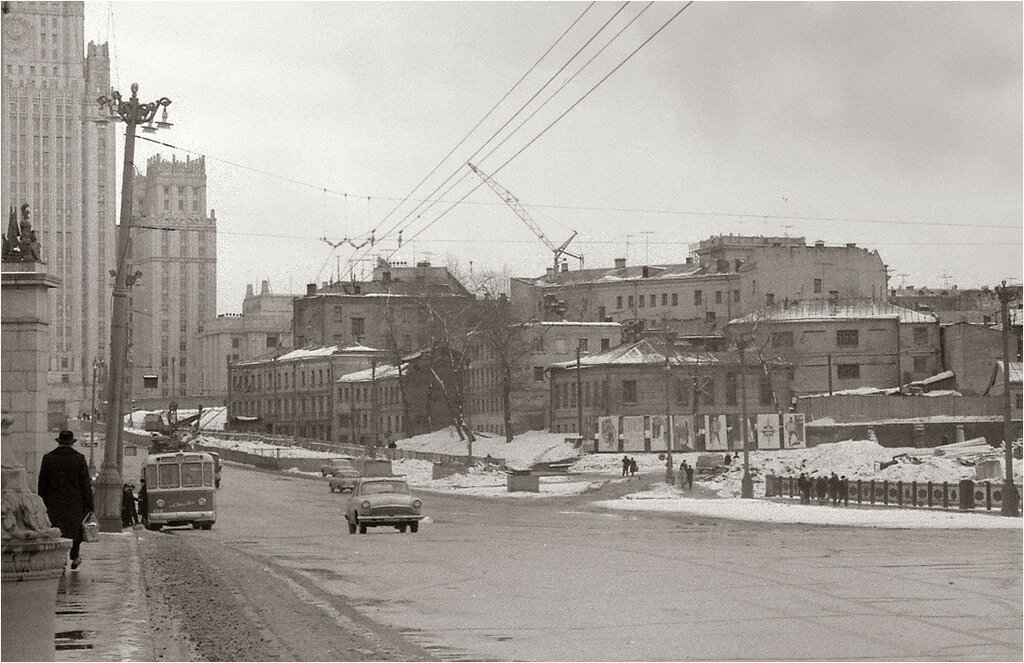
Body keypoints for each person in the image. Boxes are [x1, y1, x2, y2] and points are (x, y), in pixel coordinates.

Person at [38, 430, 94, 570]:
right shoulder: (79, 459)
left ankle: (61, 560)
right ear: (72, 443)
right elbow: (85, 484)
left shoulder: (48, 458)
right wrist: (90, 504)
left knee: (58, 530)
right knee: (75, 530)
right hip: (75, 502)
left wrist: (42, 502)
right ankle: (75, 557)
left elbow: (42, 484)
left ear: (59, 442)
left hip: (54, 503)